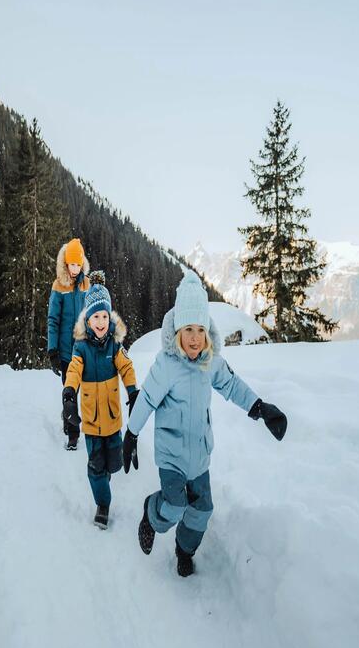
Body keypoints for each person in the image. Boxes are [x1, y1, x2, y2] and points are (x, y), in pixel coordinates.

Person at [123, 272, 287, 576]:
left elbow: (232, 385)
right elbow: (145, 399)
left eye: (200, 329)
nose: (195, 337)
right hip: (171, 455)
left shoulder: (211, 362)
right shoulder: (166, 364)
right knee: (173, 507)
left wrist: (260, 407)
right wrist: (131, 434)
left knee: (201, 511)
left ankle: (184, 550)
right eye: (188, 329)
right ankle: (151, 513)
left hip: (199, 456)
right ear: (177, 331)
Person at [62, 276, 138, 529]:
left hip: (113, 419)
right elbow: (73, 370)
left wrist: (133, 392)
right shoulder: (81, 347)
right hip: (93, 422)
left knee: (113, 464)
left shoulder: (115, 345)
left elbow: (126, 368)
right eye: (96, 317)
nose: (101, 322)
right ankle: (102, 504)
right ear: (87, 319)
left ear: (110, 317)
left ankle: (105, 477)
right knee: (95, 467)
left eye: (105, 316)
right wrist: (69, 394)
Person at [47, 238, 90, 448]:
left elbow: (94, 312)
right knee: (69, 390)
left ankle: (70, 418)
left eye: (78, 264)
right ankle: (73, 434)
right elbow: (53, 320)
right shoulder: (59, 285)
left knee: (82, 390)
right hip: (65, 352)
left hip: (83, 348)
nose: (75, 268)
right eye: (72, 264)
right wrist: (52, 349)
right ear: (66, 264)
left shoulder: (86, 284)